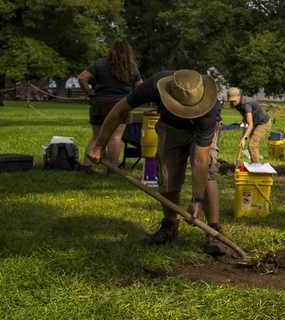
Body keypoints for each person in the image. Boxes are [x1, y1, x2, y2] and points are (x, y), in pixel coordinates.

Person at [87, 70, 226, 255]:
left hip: (200, 132)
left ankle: (214, 232)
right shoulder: (153, 86)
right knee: (167, 175)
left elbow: (200, 159)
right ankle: (169, 226)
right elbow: (119, 110)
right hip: (170, 128)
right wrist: (99, 145)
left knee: (207, 172)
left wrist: (196, 199)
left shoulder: (210, 109)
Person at [77, 41, 142, 166]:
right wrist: (133, 100)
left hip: (99, 103)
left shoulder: (99, 64)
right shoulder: (132, 67)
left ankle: (87, 166)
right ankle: (112, 169)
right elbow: (140, 86)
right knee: (115, 137)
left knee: (96, 136)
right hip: (122, 105)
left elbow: (82, 78)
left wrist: (90, 93)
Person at [226, 87, 272, 163]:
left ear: (239, 96)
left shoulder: (246, 104)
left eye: (234, 100)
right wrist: (244, 135)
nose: (232, 103)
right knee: (250, 144)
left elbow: (250, 124)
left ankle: (256, 169)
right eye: (231, 101)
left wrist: (244, 138)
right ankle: (254, 164)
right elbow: (245, 117)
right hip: (254, 122)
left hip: (263, 123)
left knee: (252, 145)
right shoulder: (237, 103)